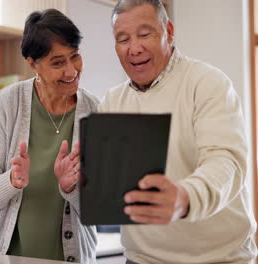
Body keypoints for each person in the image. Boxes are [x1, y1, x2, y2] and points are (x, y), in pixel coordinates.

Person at [98, 0, 257, 263]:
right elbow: (109, 187)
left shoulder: (208, 83)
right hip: (141, 260)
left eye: (144, 34)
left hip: (218, 259)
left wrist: (187, 198)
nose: (134, 48)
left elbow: (226, 162)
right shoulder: (112, 102)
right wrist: (75, 183)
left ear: (168, 32)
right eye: (122, 39)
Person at [0, 9, 98, 263]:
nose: (71, 71)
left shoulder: (95, 110)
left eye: (75, 57)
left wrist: (71, 187)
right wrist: (12, 181)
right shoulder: (7, 103)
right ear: (33, 64)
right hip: (7, 257)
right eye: (58, 62)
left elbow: (100, 207)